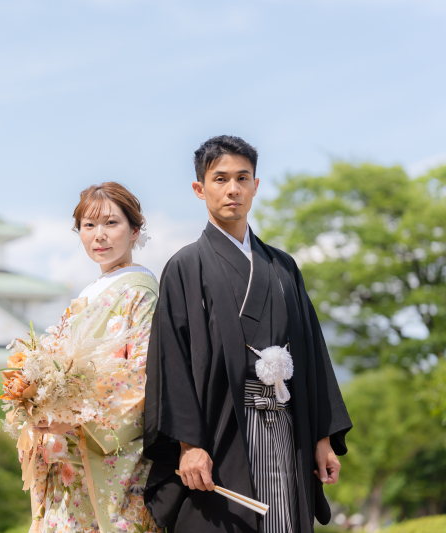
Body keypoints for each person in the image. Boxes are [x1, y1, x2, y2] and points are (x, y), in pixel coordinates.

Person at [142, 136, 352, 533]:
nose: (233, 189)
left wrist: (323, 437)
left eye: (242, 177)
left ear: (256, 185)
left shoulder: (283, 266)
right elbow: (171, 361)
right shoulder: (186, 267)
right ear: (199, 189)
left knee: (285, 521)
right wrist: (188, 446)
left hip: (289, 430)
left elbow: (313, 355)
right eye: (220, 179)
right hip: (221, 431)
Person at [26, 182, 161, 533]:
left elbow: (142, 377)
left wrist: (76, 421)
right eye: (89, 226)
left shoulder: (140, 289)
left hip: (106, 451)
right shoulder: (90, 292)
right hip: (66, 451)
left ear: (135, 230)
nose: (99, 236)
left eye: (111, 224)